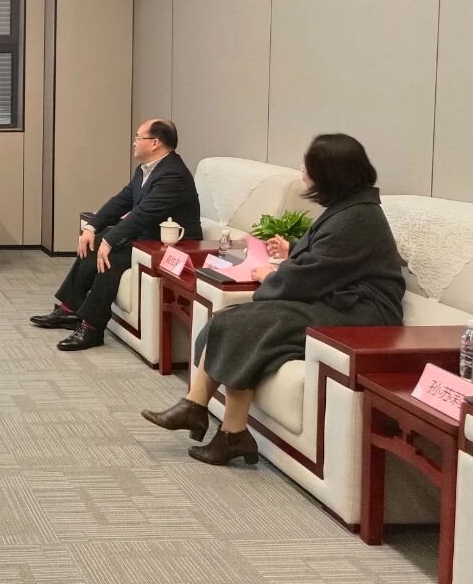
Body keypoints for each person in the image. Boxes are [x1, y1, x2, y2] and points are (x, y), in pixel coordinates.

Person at [141, 133, 404, 466]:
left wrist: (270, 277)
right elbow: (329, 262)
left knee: (247, 325)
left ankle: (229, 432)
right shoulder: (351, 208)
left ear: (330, 174)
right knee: (230, 318)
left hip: (362, 315)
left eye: (308, 165)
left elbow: (313, 274)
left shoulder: (356, 217)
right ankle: (200, 410)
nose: (302, 170)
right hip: (337, 301)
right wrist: (292, 252)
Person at [30, 118, 201, 351]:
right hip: (147, 236)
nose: (134, 142)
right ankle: (70, 310)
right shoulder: (145, 169)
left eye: (138, 137)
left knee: (110, 257)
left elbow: (144, 213)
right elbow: (123, 200)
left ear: (155, 143)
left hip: (170, 244)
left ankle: (92, 328)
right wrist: (92, 227)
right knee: (95, 242)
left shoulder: (173, 175)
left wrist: (111, 241)